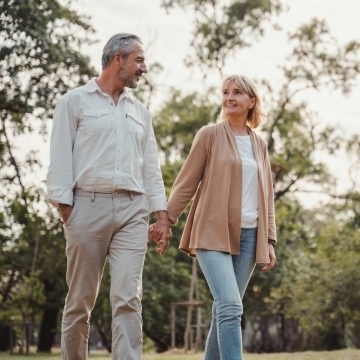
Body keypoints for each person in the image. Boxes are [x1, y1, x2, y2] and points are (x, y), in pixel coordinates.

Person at [46, 33, 171, 360]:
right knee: (80, 301)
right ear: (118, 58)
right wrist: (67, 211)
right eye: (139, 60)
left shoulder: (141, 113)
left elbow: (151, 167)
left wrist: (161, 215)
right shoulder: (73, 102)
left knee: (129, 298)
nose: (143, 68)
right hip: (86, 207)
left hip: (133, 211)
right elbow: (60, 160)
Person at [163, 75, 277, 359]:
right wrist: (166, 218)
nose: (229, 97)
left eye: (237, 92)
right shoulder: (209, 135)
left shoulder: (259, 144)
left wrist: (270, 239)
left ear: (252, 102)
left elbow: (267, 195)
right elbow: (186, 182)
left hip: (250, 236)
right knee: (230, 306)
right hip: (212, 232)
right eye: (225, 92)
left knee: (224, 309)